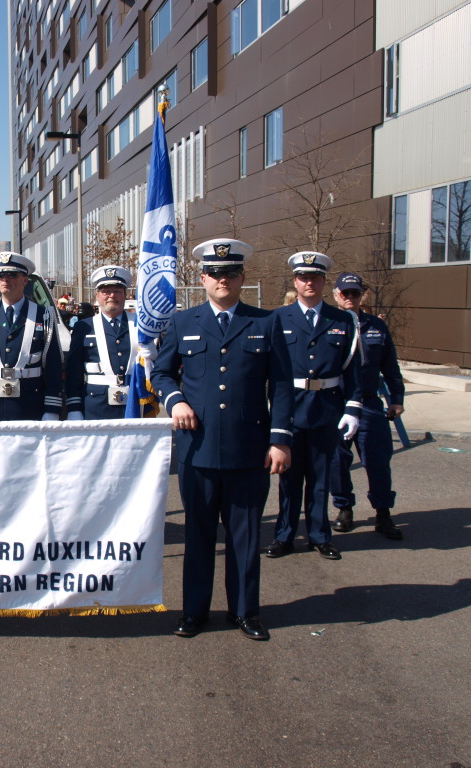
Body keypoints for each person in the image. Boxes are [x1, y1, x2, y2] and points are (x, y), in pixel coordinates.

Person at [152, 239, 294, 641]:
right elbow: (161, 373)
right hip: (198, 450)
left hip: (249, 450)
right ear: (202, 279)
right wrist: (175, 400)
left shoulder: (266, 323)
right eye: (214, 273)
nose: (222, 279)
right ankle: (194, 612)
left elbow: (281, 386)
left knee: (245, 538)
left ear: (241, 278)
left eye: (230, 273)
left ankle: (245, 611)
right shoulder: (183, 322)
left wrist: (280, 440)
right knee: (198, 537)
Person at [266, 252, 363, 561]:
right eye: (303, 277)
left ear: (324, 282)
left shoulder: (343, 319)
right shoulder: (278, 318)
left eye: (315, 278)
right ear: (296, 281)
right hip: (290, 410)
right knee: (289, 479)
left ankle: (320, 535)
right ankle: (285, 535)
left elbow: (354, 369)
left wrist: (353, 407)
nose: (309, 283)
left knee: (322, 478)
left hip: (327, 409)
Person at [330, 272, 405, 539]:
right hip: (337, 403)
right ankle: (344, 508)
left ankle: (383, 513)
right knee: (337, 461)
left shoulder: (376, 326)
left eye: (355, 293)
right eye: (345, 293)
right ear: (336, 294)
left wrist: (396, 399)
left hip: (369, 403)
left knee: (377, 461)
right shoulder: (329, 324)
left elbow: (391, 367)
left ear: (363, 295)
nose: (349, 297)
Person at [0, 252, 63, 421]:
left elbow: (53, 365)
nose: (5, 280)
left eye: (12, 275)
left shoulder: (43, 315)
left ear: (25, 280)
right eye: (1, 275)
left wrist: (52, 407)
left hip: (30, 404)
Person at [65, 265, 137, 420]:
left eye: (117, 291)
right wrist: (74, 408)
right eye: (106, 291)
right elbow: (74, 372)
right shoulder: (84, 327)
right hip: (95, 407)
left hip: (135, 403)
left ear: (125, 294)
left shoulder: (138, 325)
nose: (112, 295)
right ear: (97, 296)